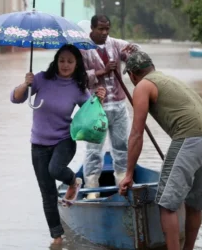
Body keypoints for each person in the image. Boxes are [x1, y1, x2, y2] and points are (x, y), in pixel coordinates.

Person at [118, 51, 202, 250]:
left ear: (132, 75)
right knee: (194, 204)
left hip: (189, 138)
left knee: (167, 203)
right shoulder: (168, 79)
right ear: (152, 67)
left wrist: (129, 173)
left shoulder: (143, 85)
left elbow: (137, 134)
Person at [10, 44, 106, 245]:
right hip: (38, 145)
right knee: (48, 193)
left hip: (64, 141)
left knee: (55, 169)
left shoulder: (78, 87)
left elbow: (90, 115)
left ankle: (73, 181)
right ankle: (57, 238)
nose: (65, 65)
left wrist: (98, 101)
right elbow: (15, 98)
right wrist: (25, 84)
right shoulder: (41, 79)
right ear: (56, 61)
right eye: (62, 60)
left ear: (76, 63)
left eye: (70, 61)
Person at [80, 14, 140, 199]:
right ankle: (92, 188)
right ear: (92, 29)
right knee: (94, 149)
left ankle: (122, 181)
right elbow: (79, 78)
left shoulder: (115, 43)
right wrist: (102, 71)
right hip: (96, 107)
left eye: (107, 29)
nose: (105, 33)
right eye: (101, 29)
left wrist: (131, 56)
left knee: (122, 146)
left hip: (119, 105)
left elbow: (136, 52)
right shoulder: (82, 48)